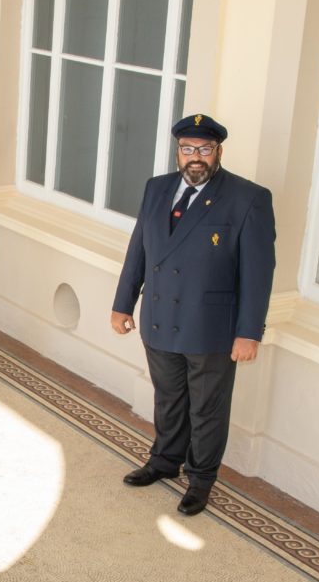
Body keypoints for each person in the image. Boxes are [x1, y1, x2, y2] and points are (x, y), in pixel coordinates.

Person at [110, 114, 276, 516]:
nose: (195, 157)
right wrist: (122, 303)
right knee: (168, 399)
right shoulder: (157, 188)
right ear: (178, 151)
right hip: (160, 317)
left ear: (218, 152)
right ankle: (165, 461)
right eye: (188, 149)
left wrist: (249, 332)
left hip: (211, 327)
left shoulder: (248, 198)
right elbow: (140, 249)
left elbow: (258, 272)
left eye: (204, 149)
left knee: (207, 409)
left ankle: (200, 480)